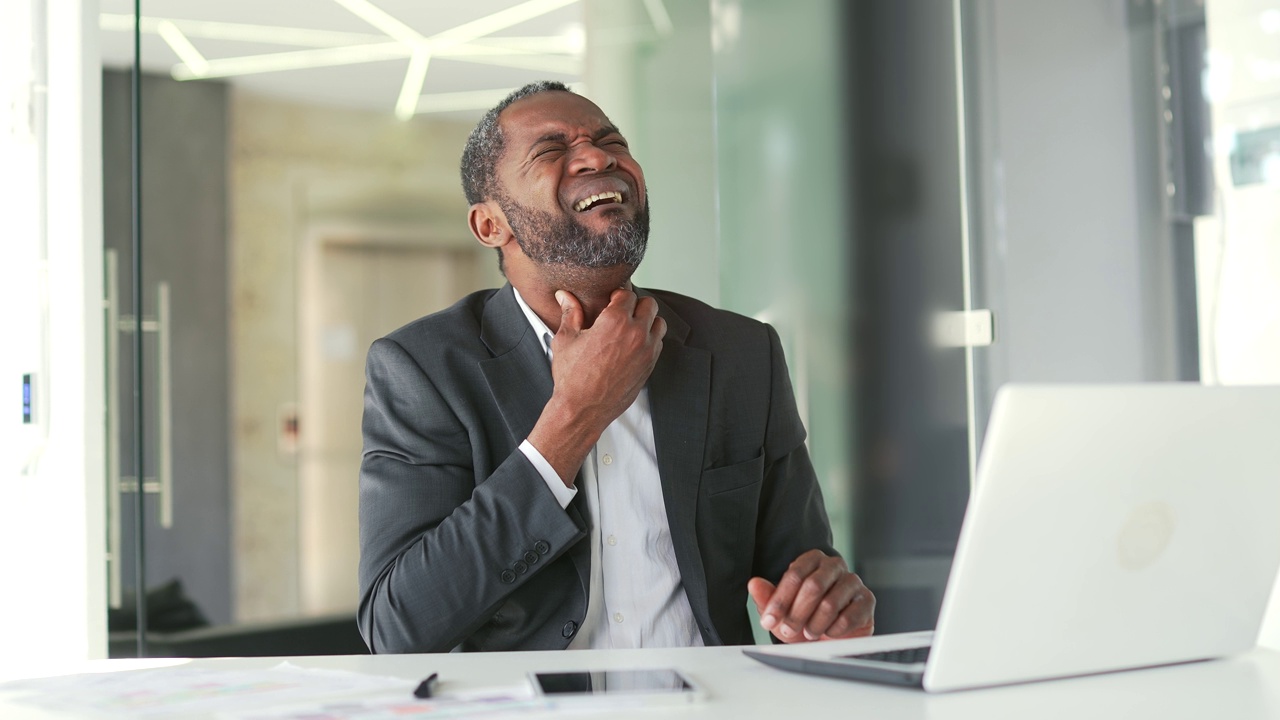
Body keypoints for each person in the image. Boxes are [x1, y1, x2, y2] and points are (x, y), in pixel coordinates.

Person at [357, 81, 874, 654]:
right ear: (490, 226)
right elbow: (397, 627)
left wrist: (826, 614)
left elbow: (799, 582)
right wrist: (574, 416)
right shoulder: (423, 369)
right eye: (551, 151)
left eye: (611, 142)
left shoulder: (740, 354)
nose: (599, 157)